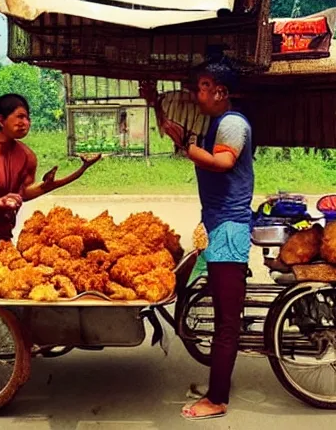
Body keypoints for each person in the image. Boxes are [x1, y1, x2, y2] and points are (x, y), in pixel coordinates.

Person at [141, 60, 254, 420]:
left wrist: (189, 145)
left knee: (226, 321)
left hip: (229, 229)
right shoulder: (215, 125)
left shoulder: (233, 124)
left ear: (220, 91)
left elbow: (221, 163)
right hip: (217, 226)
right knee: (210, 302)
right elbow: (179, 135)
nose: (197, 92)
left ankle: (217, 399)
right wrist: (155, 102)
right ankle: (216, 384)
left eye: (204, 86)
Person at [0, 93, 101, 286]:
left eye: (28, 118)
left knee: (5, 297)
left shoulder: (27, 156)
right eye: (20, 116)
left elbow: (23, 194)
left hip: (3, 240)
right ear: (1, 120)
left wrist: (80, 170)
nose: (26, 122)